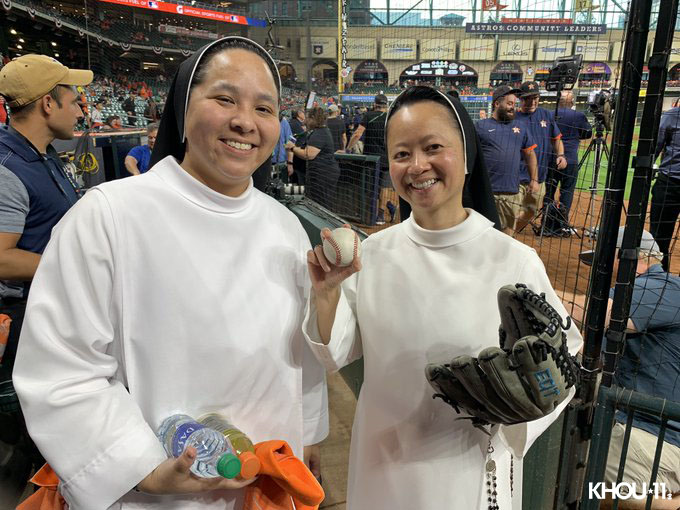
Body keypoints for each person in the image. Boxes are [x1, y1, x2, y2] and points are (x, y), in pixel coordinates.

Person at [13, 37, 328, 509]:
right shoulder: (109, 215)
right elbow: (62, 368)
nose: (245, 121)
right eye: (224, 99)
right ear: (182, 108)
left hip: (262, 486)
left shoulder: (284, 226)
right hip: (152, 494)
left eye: (264, 108)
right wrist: (142, 468)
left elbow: (297, 355)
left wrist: (308, 434)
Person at [303, 85, 582, 510]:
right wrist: (326, 293)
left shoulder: (514, 259)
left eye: (434, 147)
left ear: (466, 155)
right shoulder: (372, 254)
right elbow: (335, 353)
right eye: (401, 154)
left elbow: (564, 360)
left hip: (470, 468)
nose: (418, 166)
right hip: (385, 465)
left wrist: (523, 409)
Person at [0, 53, 91, 505]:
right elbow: (0, 259)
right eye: (74, 99)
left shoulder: (41, 155)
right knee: (38, 439)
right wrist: (75, 262)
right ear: (46, 105)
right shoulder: (8, 167)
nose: (81, 109)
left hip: (45, 313)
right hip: (21, 321)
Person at [565, 228, 680, 510]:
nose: (600, 270)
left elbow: (599, 312)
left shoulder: (663, 287)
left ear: (624, 257)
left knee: (569, 477)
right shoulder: (636, 299)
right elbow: (595, 357)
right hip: (640, 430)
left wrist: (537, 291)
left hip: (657, 439)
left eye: (603, 260)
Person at [476, 85, 538, 235]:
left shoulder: (520, 127)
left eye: (515, 104)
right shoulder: (480, 126)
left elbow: (530, 154)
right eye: (510, 104)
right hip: (486, 191)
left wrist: (534, 179)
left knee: (507, 236)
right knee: (483, 235)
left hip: (511, 192)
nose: (513, 108)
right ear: (497, 104)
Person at [514, 81, 566, 233]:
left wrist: (561, 155)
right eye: (527, 98)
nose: (531, 101)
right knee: (511, 212)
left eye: (534, 97)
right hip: (516, 175)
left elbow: (556, 139)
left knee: (531, 211)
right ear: (520, 99)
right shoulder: (513, 117)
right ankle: (508, 237)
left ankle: (512, 233)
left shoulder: (545, 115)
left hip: (539, 177)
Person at [543, 91, 592, 231]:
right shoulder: (579, 115)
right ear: (572, 103)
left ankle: (546, 222)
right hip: (570, 159)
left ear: (558, 102)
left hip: (550, 158)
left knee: (548, 192)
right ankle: (562, 224)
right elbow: (587, 133)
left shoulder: (549, 115)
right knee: (567, 192)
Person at [347, 94, 393, 225]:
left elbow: (357, 134)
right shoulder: (390, 118)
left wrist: (348, 148)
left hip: (371, 158)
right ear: (386, 104)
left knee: (370, 186)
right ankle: (381, 214)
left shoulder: (368, 115)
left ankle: (367, 212)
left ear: (375, 103)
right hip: (386, 158)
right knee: (384, 188)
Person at [286, 106, 340, 210]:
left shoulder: (320, 133)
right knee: (316, 202)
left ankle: (323, 225)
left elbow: (308, 155)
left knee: (322, 204)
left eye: (308, 118)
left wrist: (292, 148)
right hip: (320, 174)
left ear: (313, 118)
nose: (305, 121)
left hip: (324, 174)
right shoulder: (318, 131)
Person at [650, 99, 680, 271]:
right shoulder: (671, 116)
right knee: (660, 237)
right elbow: (654, 148)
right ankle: (659, 279)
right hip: (670, 183)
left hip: (669, 181)